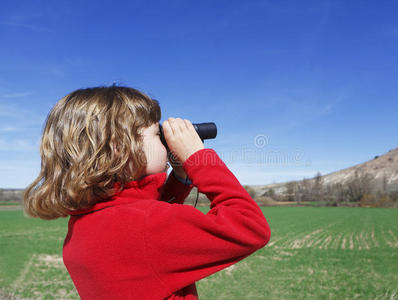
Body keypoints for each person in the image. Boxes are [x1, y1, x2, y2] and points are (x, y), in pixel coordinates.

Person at [23, 85, 271, 299]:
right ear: (119, 148)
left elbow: (138, 214)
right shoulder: (145, 226)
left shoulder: (86, 221)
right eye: (157, 134)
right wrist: (198, 157)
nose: (166, 141)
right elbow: (250, 227)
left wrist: (180, 177)